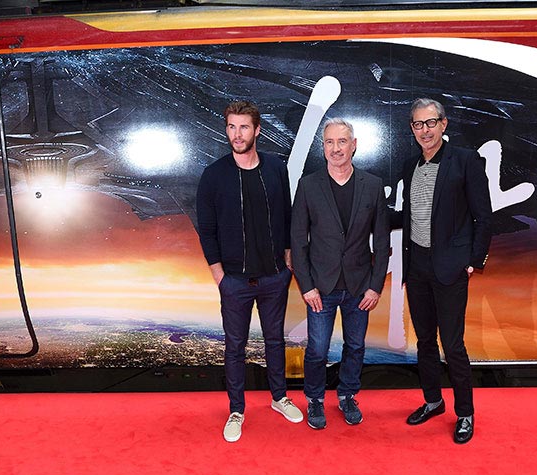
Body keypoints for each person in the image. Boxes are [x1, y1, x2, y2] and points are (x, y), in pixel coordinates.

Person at [196, 100, 304, 442]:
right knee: (235, 347)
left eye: (243, 127)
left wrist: (287, 257)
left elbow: (287, 215)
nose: (237, 134)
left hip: (274, 277)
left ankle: (279, 398)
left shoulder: (276, 168)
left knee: (275, 340)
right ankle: (236, 410)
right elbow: (207, 230)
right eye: (231, 126)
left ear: (257, 130)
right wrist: (219, 274)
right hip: (234, 281)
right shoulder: (213, 176)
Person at [400, 98, 496, 444]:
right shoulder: (410, 165)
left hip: (451, 268)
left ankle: (465, 413)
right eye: (418, 124)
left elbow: (483, 216)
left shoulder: (466, 161)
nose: (424, 130)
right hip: (417, 266)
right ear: (412, 129)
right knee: (424, 340)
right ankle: (433, 401)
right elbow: (409, 215)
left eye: (430, 123)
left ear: (443, 124)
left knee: (453, 344)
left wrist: (473, 261)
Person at [291, 118, 390, 429]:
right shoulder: (308, 186)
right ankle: (315, 398)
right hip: (320, 287)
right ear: (323, 147)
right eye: (330, 142)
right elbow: (298, 240)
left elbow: (382, 241)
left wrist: (375, 286)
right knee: (317, 349)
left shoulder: (372, 185)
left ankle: (347, 395)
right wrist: (306, 286)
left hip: (360, 287)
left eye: (342, 141)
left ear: (354, 145)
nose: (336, 148)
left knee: (356, 346)